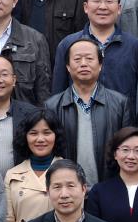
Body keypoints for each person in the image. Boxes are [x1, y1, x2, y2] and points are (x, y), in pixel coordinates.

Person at [44, 36, 131, 183]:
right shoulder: (52, 106)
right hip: (68, 188)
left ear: (100, 65)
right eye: (77, 59)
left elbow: (127, 149)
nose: (83, 64)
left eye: (89, 59)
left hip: (109, 186)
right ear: (68, 67)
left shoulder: (120, 103)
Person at [52, 0, 138, 97]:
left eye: (109, 1)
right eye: (97, 0)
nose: (103, 7)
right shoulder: (67, 45)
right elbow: (58, 94)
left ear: (119, 8)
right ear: (86, 7)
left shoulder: (135, 47)